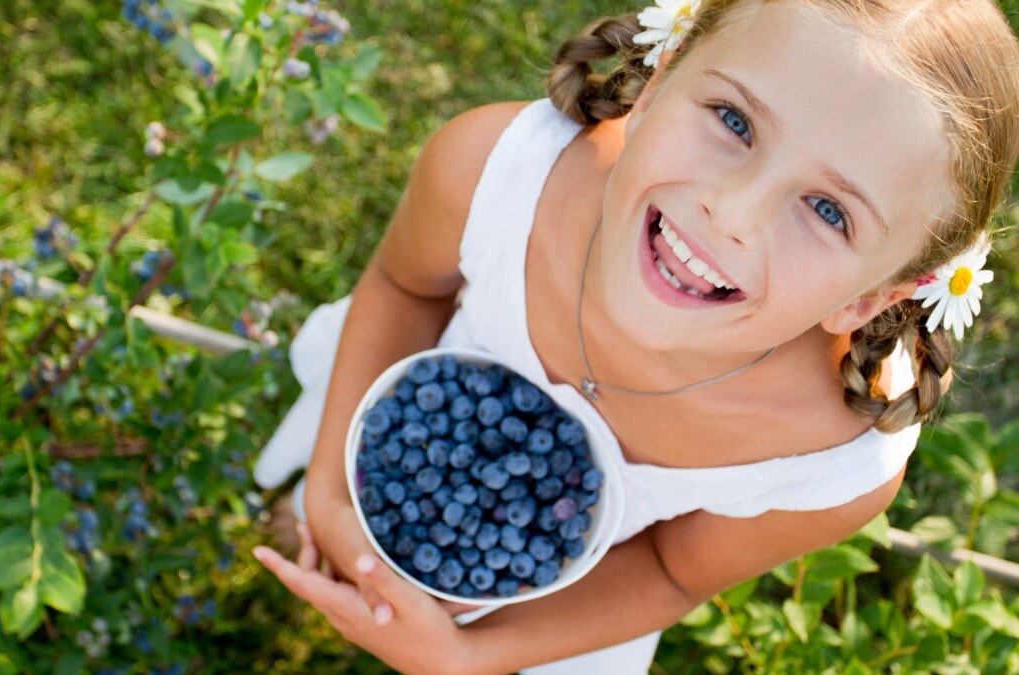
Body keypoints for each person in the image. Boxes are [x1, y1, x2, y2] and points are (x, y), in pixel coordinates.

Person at [251, 0, 1019, 672]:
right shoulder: (492, 175)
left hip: (565, 591)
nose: (731, 211)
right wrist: (329, 489)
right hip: (402, 420)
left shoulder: (826, 456)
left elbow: (667, 572)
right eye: (734, 120)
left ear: (870, 298)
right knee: (334, 507)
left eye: (827, 211)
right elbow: (400, 288)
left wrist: (466, 654)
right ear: (660, 83)